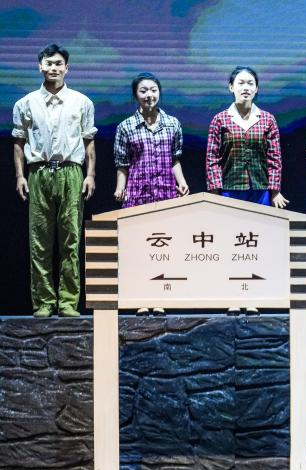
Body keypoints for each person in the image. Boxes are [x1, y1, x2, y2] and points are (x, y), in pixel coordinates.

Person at [13, 43, 97, 318]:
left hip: (71, 172)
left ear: (66, 68)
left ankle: (68, 302)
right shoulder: (25, 103)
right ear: (40, 66)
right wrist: (20, 175)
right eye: (49, 63)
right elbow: (19, 142)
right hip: (39, 173)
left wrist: (90, 174)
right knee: (40, 241)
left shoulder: (82, 102)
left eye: (58, 63)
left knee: (71, 240)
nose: (53, 68)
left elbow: (88, 141)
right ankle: (44, 302)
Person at [206, 66, 286, 316]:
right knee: (230, 244)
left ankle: (253, 296)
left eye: (250, 83)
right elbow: (212, 157)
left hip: (259, 189)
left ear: (257, 89)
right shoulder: (220, 119)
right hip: (230, 189)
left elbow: (274, 157)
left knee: (256, 244)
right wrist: (215, 192)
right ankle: (232, 296)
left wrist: (274, 190)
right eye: (240, 83)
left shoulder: (267, 119)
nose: (245, 88)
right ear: (231, 87)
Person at [113, 72, 189, 317]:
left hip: (166, 190)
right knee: (138, 249)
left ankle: (160, 298)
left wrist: (182, 183)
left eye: (153, 90)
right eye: (143, 91)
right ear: (136, 95)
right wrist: (120, 187)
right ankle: (140, 298)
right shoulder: (125, 127)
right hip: (138, 191)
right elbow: (122, 164)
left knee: (163, 247)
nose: (149, 95)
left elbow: (175, 159)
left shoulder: (173, 123)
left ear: (159, 92)